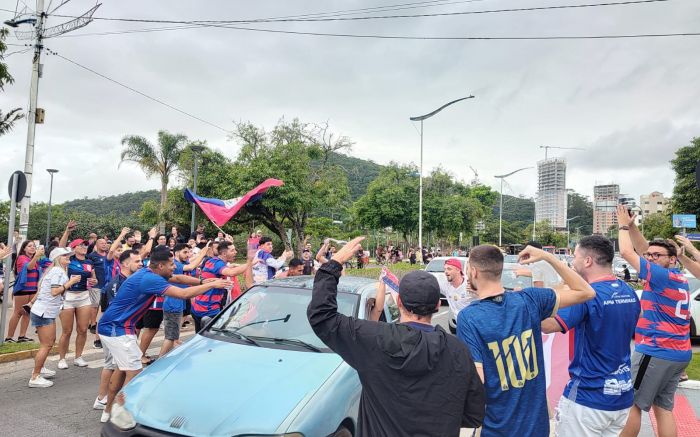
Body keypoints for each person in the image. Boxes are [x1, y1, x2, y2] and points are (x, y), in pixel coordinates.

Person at [308, 237, 485, 436]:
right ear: (437, 305)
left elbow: (321, 317)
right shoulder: (457, 350)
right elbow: (474, 414)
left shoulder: (372, 339)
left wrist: (333, 263)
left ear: (399, 301)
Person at [456, 244, 595, 437]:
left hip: (497, 428)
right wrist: (549, 257)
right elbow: (586, 292)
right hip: (536, 427)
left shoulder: (469, 317)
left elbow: (477, 381)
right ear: (500, 270)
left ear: (473, 271)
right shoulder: (529, 299)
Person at [98, 249, 232, 423]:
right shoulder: (149, 278)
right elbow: (183, 294)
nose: (174, 267)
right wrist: (211, 285)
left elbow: (178, 278)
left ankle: (108, 411)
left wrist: (202, 280)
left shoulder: (150, 272)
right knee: (136, 374)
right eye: (171, 265)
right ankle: (122, 415)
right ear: (160, 265)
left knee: (122, 370)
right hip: (116, 328)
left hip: (118, 327)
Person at [541, 235, 641, 436]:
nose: (572, 261)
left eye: (575, 256)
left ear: (587, 261)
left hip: (588, 397)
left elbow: (548, 325)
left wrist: (524, 307)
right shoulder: (627, 291)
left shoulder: (590, 296)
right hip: (620, 395)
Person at [616, 205, 692, 437]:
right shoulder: (678, 277)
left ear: (672, 260)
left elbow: (629, 253)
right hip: (678, 353)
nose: (649, 257)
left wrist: (621, 225)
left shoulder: (659, 277)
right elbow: (642, 249)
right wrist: (632, 226)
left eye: (656, 256)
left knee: (632, 402)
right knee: (663, 408)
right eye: (648, 256)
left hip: (656, 350)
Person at [93, 250, 142, 411]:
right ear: (125, 264)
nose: (141, 264)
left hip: (120, 330)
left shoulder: (130, 280)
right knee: (113, 365)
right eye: (137, 261)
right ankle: (104, 400)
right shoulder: (117, 283)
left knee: (116, 366)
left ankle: (107, 401)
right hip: (114, 331)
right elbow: (114, 310)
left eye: (141, 260)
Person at [27, 248, 82, 388]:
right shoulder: (57, 271)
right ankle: (35, 376)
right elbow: (54, 292)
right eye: (65, 255)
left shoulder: (55, 270)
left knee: (45, 344)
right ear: (58, 258)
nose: (68, 257)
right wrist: (71, 282)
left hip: (43, 311)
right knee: (47, 344)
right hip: (44, 312)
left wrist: (31, 303)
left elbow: (42, 291)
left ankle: (40, 368)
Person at [158, 242, 210, 357]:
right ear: (176, 253)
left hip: (178, 301)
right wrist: (203, 253)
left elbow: (192, 261)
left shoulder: (181, 262)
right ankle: (160, 361)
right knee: (170, 337)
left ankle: (168, 354)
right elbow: (191, 267)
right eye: (185, 252)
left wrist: (202, 252)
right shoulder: (175, 264)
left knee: (173, 335)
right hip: (173, 302)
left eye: (189, 252)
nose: (188, 255)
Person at [57, 236, 97, 369]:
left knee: (83, 329)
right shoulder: (68, 260)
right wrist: (68, 232)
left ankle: (78, 356)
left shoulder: (90, 262)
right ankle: (62, 358)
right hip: (68, 296)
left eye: (86, 245)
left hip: (84, 296)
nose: (84, 247)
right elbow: (60, 249)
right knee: (67, 331)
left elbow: (93, 278)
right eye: (81, 245)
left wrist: (94, 281)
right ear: (73, 248)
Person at [192, 241, 252, 331]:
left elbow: (228, 269)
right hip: (208, 308)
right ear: (224, 253)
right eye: (232, 250)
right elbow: (231, 273)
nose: (235, 252)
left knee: (200, 339)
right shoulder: (218, 263)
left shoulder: (213, 261)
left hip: (198, 306)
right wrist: (250, 262)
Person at [5, 240, 44, 343]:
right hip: (22, 289)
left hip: (33, 289)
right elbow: (29, 267)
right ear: (24, 248)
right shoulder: (22, 258)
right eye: (29, 246)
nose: (32, 247)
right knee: (18, 313)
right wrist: (36, 256)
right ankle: (9, 337)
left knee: (27, 313)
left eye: (34, 246)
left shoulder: (34, 259)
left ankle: (22, 336)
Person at [438, 258, 477, 323]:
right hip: (460, 325)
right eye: (445, 269)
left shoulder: (470, 284)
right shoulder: (445, 285)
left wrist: (477, 292)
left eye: (449, 269)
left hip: (474, 325)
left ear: (458, 270)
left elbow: (489, 297)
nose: (446, 271)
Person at [87, 237, 109, 348]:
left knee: (104, 310)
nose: (104, 245)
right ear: (96, 244)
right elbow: (89, 269)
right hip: (96, 284)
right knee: (95, 305)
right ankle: (92, 323)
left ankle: (100, 333)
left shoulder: (109, 255)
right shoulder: (92, 256)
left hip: (107, 286)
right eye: (102, 243)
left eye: (105, 243)